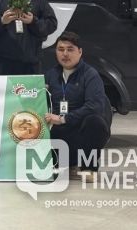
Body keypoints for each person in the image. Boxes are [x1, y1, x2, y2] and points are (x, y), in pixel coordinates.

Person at [45, 31, 112, 176]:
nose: (65, 54)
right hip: (58, 134)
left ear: (80, 52)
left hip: (80, 132)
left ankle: (89, 168)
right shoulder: (50, 75)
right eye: (61, 49)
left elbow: (95, 106)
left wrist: (63, 119)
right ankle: (66, 164)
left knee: (95, 122)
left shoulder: (90, 75)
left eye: (70, 49)